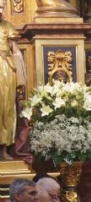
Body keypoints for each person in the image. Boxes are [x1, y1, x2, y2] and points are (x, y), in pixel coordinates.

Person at [0, 0, 26, 161]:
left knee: (7, 108)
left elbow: (15, 51)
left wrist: (21, 75)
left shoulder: (8, 27)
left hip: (6, 69)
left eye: (2, 7)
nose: (0, 10)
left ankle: (3, 148)